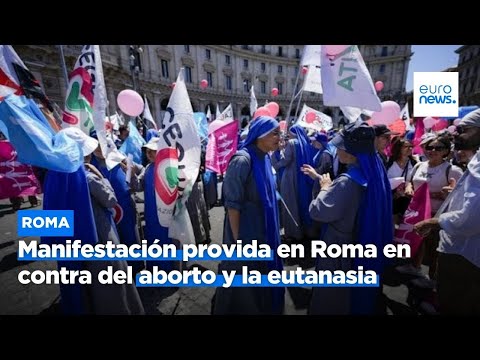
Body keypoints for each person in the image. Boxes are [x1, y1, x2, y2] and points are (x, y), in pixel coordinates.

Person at [308, 120, 393, 315]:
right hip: (361, 240)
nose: (337, 151)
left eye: (340, 147)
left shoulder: (346, 182)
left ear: (352, 151)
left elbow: (318, 211)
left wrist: (324, 188)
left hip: (340, 245)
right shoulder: (375, 168)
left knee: (333, 296)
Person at [213, 116, 284, 315]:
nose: (280, 137)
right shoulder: (242, 160)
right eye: (275, 133)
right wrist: (237, 242)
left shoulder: (265, 156)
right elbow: (233, 207)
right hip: (245, 235)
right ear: (259, 135)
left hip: (264, 232)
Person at [414, 109, 480, 314]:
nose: (456, 134)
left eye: (463, 129)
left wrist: (433, 222)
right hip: (457, 243)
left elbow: (470, 218)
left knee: (454, 299)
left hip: (464, 251)